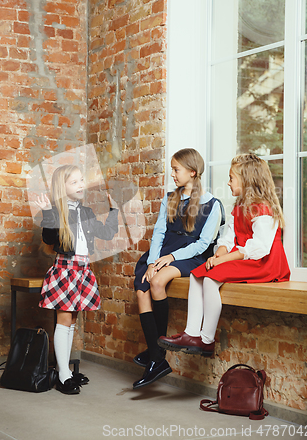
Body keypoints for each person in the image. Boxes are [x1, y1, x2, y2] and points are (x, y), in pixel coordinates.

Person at [158, 154, 290, 357]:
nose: (228, 183)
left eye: (231, 178)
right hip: (243, 259)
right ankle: (191, 333)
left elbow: (259, 248)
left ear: (246, 180)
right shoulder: (239, 206)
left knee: (210, 279)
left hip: (263, 263)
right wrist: (218, 254)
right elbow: (229, 238)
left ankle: (207, 340)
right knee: (197, 273)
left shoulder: (263, 208)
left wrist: (223, 260)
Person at [133, 148, 222, 389]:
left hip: (191, 255)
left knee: (157, 282)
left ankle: (155, 354)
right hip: (164, 253)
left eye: (176, 170)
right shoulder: (169, 198)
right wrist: (152, 261)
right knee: (142, 287)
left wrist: (171, 257)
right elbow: (159, 232)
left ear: (192, 173)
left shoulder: (212, 204)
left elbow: (203, 244)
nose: (172, 174)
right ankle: (156, 354)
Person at [35, 165, 118, 395]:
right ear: (62, 188)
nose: (81, 185)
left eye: (82, 180)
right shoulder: (57, 211)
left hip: (82, 270)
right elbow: (49, 238)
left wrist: (114, 210)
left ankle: (66, 371)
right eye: (74, 182)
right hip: (64, 270)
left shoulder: (87, 212)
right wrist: (47, 213)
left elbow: (106, 233)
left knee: (71, 322)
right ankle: (62, 375)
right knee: (63, 321)